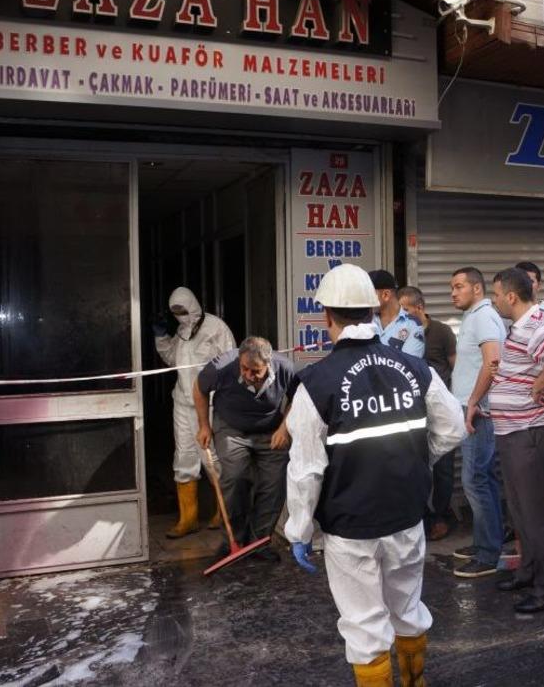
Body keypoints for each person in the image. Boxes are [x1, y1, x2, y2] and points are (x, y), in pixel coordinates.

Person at [283, 263, 465, 687]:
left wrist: (299, 529)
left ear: (327, 317)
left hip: (351, 528)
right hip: (406, 517)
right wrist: (419, 460)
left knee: (365, 627)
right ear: (372, 310)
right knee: (407, 609)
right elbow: (453, 428)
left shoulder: (316, 382)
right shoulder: (416, 369)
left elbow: (307, 469)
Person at [489, 268, 544, 613]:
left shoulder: (537, 324)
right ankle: (528, 571)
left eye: (495, 295)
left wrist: (538, 387)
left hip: (529, 433)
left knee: (536, 514)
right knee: (520, 510)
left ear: (511, 296)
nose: (494, 301)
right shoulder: (521, 327)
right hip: (513, 432)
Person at [193, 336, 295, 560]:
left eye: (255, 371)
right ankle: (234, 540)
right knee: (235, 477)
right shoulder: (221, 367)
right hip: (231, 427)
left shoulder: (286, 368)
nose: (249, 375)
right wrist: (204, 425)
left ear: (269, 364)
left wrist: (284, 427)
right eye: (244, 369)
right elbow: (199, 388)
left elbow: (298, 398)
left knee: (274, 484)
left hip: (271, 431)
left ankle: (260, 542)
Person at [154, 286, 236, 538]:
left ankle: (225, 511)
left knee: (211, 457)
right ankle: (187, 519)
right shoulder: (181, 332)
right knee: (184, 457)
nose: (179, 315)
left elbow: (232, 361)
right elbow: (172, 359)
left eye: (182, 310)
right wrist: (161, 337)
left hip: (209, 404)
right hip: (182, 402)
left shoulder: (216, 328)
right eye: (175, 312)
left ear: (193, 305)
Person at [449, 267, 507, 578]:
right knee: (483, 478)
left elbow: (493, 361)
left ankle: (488, 555)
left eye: (459, 287)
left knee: (475, 479)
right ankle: (487, 542)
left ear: (477, 289)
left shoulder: (484, 316)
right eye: (452, 287)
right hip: (474, 409)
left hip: (480, 413)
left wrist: (472, 402)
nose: (453, 293)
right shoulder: (475, 316)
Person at [398, 286, 459, 540]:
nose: (401, 315)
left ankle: (442, 515)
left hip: (438, 410)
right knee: (415, 465)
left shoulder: (442, 332)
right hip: (411, 411)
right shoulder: (399, 332)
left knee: (443, 467)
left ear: (419, 308)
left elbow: (456, 367)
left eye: (406, 310)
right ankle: (420, 517)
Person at [369, 269, 425, 357]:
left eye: (369, 294)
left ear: (386, 295)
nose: (365, 300)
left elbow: (408, 365)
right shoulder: (364, 321)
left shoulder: (413, 325)